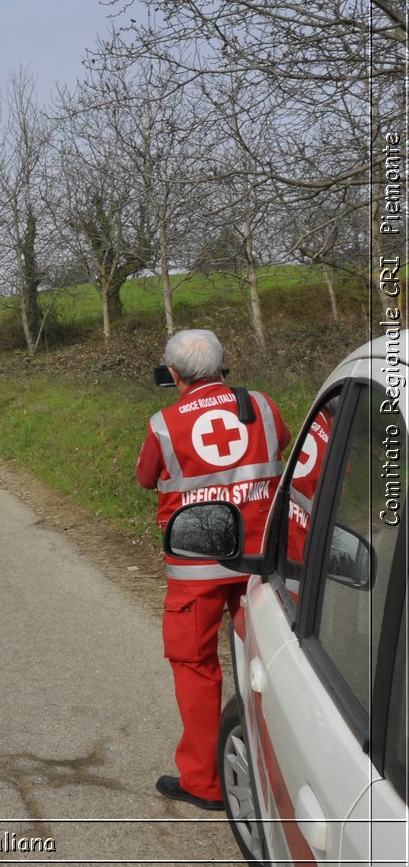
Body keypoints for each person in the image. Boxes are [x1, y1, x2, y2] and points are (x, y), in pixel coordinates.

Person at [135, 328, 289, 812]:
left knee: (196, 668)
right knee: (274, 665)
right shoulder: (261, 406)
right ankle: (283, 776)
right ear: (224, 366)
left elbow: (145, 477)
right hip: (259, 560)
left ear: (173, 374)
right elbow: (280, 445)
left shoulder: (163, 424)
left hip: (196, 568)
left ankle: (204, 782)